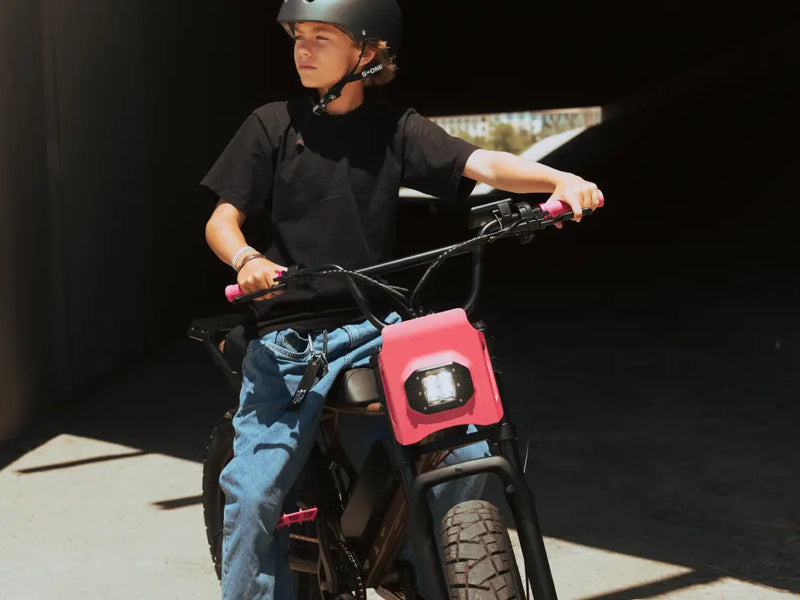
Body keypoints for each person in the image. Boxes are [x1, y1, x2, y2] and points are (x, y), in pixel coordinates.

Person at [200, 1, 603, 598]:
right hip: (292, 336)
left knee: (465, 442)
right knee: (255, 491)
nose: (302, 49)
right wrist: (248, 259)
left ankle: (444, 570)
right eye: (297, 36)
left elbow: (480, 161)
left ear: (367, 53)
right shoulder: (271, 125)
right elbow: (221, 219)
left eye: (321, 36)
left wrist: (557, 180)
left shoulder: (397, 129)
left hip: (377, 323)